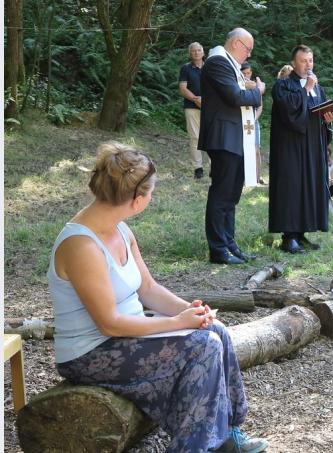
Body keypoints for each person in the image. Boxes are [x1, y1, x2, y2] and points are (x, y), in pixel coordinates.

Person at [48, 142, 268, 453]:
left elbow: (148, 288)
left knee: (214, 330)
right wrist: (177, 323)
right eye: (150, 192)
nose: (151, 198)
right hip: (89, 354)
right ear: (137, 200)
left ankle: (227, 436)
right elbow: (109, 324)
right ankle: (196, 448)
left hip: (123, 337)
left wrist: (191, 311)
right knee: (202, 347)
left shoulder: (120, 229)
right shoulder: (81, 246)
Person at [198, 28, 265, 265]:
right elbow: (235, 97)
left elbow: (237, 93)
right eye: (248, 49)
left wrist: (248, 89)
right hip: (223, 136)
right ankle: (218, 249)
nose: (248, 55)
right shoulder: (218, 62)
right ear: (236, 43)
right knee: (222, 193)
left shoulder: (230, 65)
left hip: (234, 137)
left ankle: (229, 244)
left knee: (232, 194)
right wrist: (257, 91)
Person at [270, 44, 333, 254]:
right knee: (292, 188)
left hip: (313, 147)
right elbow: (289, 112)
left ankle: (302, 233)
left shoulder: (319, 88)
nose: (308, 65)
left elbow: (320, 113)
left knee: (310, 187)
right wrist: (306, 89)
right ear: (293, 63)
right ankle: (289, 237)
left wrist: (329, 118)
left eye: (310, 60)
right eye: (303, 61)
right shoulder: (282, 86)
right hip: (290, 148)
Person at [178, 42, 207, 179]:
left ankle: (215, 167)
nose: (196, 53)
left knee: (212, 136)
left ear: (203, 52)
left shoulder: (210, 67)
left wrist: (207, 101)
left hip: (211, 107)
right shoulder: (186, 68)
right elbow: (183, 88)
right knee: (195, 137)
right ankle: (198, 168)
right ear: (190, 53)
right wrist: (196, 99)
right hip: (191, 107)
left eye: (199, 50)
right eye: (193, 51)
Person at [241, 62, 266, 185]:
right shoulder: (238, 86)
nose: (246, 75)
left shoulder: (256, 87)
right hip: (241, 123)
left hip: (253, 122)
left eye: (248, 73)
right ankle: (244, 177)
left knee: (256, 149)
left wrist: (253, 119)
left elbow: (260, 107)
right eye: (244, 73)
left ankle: (257, 177)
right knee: (243, 149)